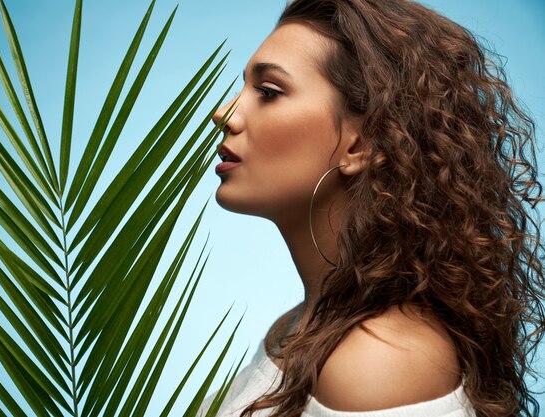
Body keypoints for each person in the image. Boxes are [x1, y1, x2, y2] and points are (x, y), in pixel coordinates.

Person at [201, 0, 545, 416]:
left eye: (269, 92)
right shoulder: (300, 327)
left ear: (359, 144)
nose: (225, 114)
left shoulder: (379, 365)